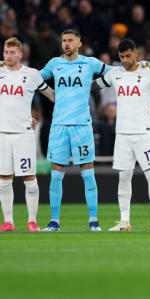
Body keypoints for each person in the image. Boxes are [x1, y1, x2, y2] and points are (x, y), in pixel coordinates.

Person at [39, 29, 111, 232]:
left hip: (81, 126)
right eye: (64, 41)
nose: (67, 44)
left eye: (70, 40)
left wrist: (95, 85)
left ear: (80, 43)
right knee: (56, 176)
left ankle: (94, 221)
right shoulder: (55, 63)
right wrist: (50, 93)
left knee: (88, 175)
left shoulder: (90, 63)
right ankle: (54, 221)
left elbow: (114, 74)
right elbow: (34, 79)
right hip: (59, 126)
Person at [94, 39, 150, 232]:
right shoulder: (114, 74)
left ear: (136, 54)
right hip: (123, 134)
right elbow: (94, 86)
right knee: (124, 177)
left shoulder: (149, 71)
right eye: (121, 56)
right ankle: (125, 221)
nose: (124, 60)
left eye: (128, 56)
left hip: (145, 132)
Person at [0, 38, 55, 232]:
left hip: (24, 134)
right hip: (3, 133)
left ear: (21, 54)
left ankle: (32, 221)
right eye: (6, 52)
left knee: (29, 177)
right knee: (4, 179)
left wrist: (70, 102)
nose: (8, 56)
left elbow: (50, 94)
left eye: (12, 52)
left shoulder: (32, 74)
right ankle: (8, 222)